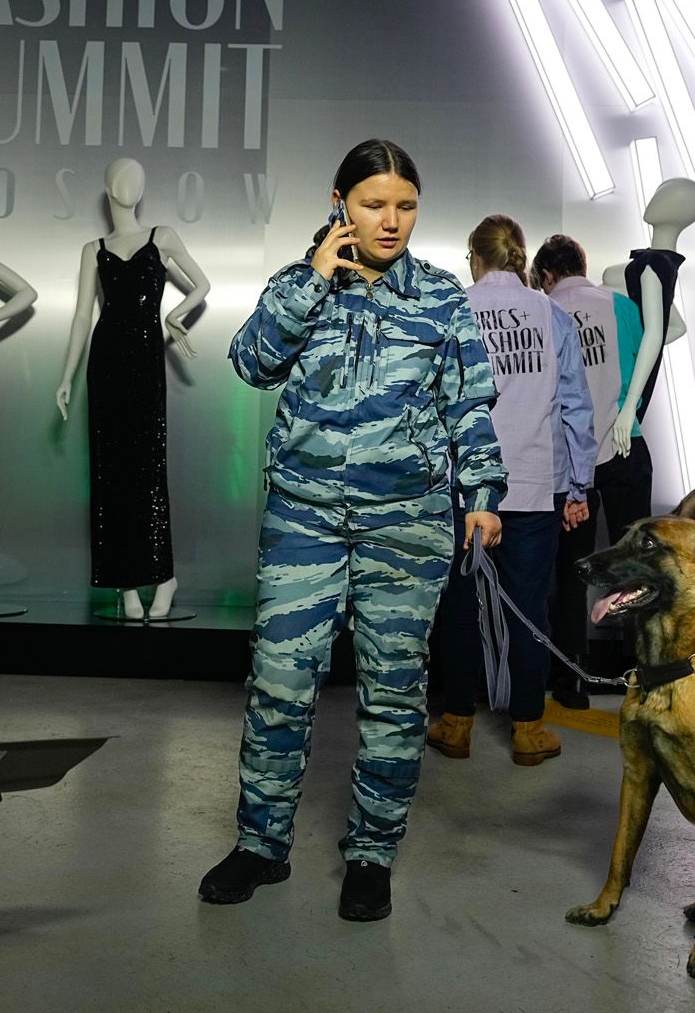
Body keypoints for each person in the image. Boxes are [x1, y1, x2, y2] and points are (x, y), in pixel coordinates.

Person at [200, 139, 506, 923]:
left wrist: (482, 492)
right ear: (339, 204)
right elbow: (252, 364)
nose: (391, 220)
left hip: (406, 526)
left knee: (394, 695)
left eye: (406, 206)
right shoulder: (297, 284)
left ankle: (371, 855)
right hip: (303, 518)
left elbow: (469, 402)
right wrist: (313, 279)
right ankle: (260, 846)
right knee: (278, 684)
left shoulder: (440, 296)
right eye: (374, 204)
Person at [428, 217, 594, 763]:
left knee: (459, 607)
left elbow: (432, 403)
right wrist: (578, 485)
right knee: (529, 608)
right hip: (534, 486)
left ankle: (456, 723)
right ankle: (528, 728)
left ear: (474, 258)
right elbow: (575, 406)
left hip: (463, 491)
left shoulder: (452, 310)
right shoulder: (552, 315)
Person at [531, 234, 638, 706]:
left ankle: (572, 679)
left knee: (571, 571)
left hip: (570, 456)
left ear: (547, 275)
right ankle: (644, 674)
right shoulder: (623, 307)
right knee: (639, 568)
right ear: (582, 264)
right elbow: (639, 377)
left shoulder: (543, 312)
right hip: (626, 447)